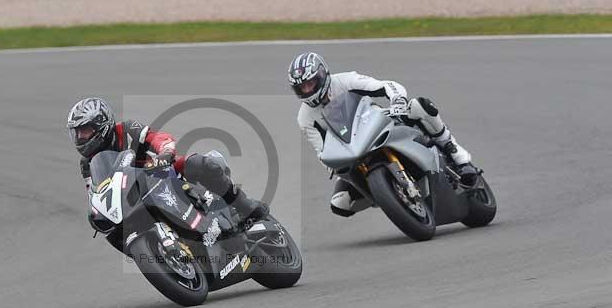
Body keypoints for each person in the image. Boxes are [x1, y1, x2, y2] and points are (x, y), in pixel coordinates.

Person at [288, 52, 478, 217]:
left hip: (379, 123)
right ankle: (388, 195)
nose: (307, 91)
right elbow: (321, 150)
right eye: (301, 88)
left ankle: (456, 154)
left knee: (419, 106)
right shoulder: (305, 118)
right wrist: (332, 165)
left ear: (322, 75)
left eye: (310, 84)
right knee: (341, 203)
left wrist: (397, 101)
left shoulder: (345, 80)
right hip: (351, 151)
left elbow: (386, 85)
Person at [66, 97, 269, 231]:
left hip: (161, 174)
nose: (81, 137)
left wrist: (165, 153)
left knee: (201, 164)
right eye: (77, 133)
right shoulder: (87, 164)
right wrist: (96, 212)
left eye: (85, 130)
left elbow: (158, 137)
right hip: (133, 198)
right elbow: (96, 191)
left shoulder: (126, 130)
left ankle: (244, 206)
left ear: (102, 125)